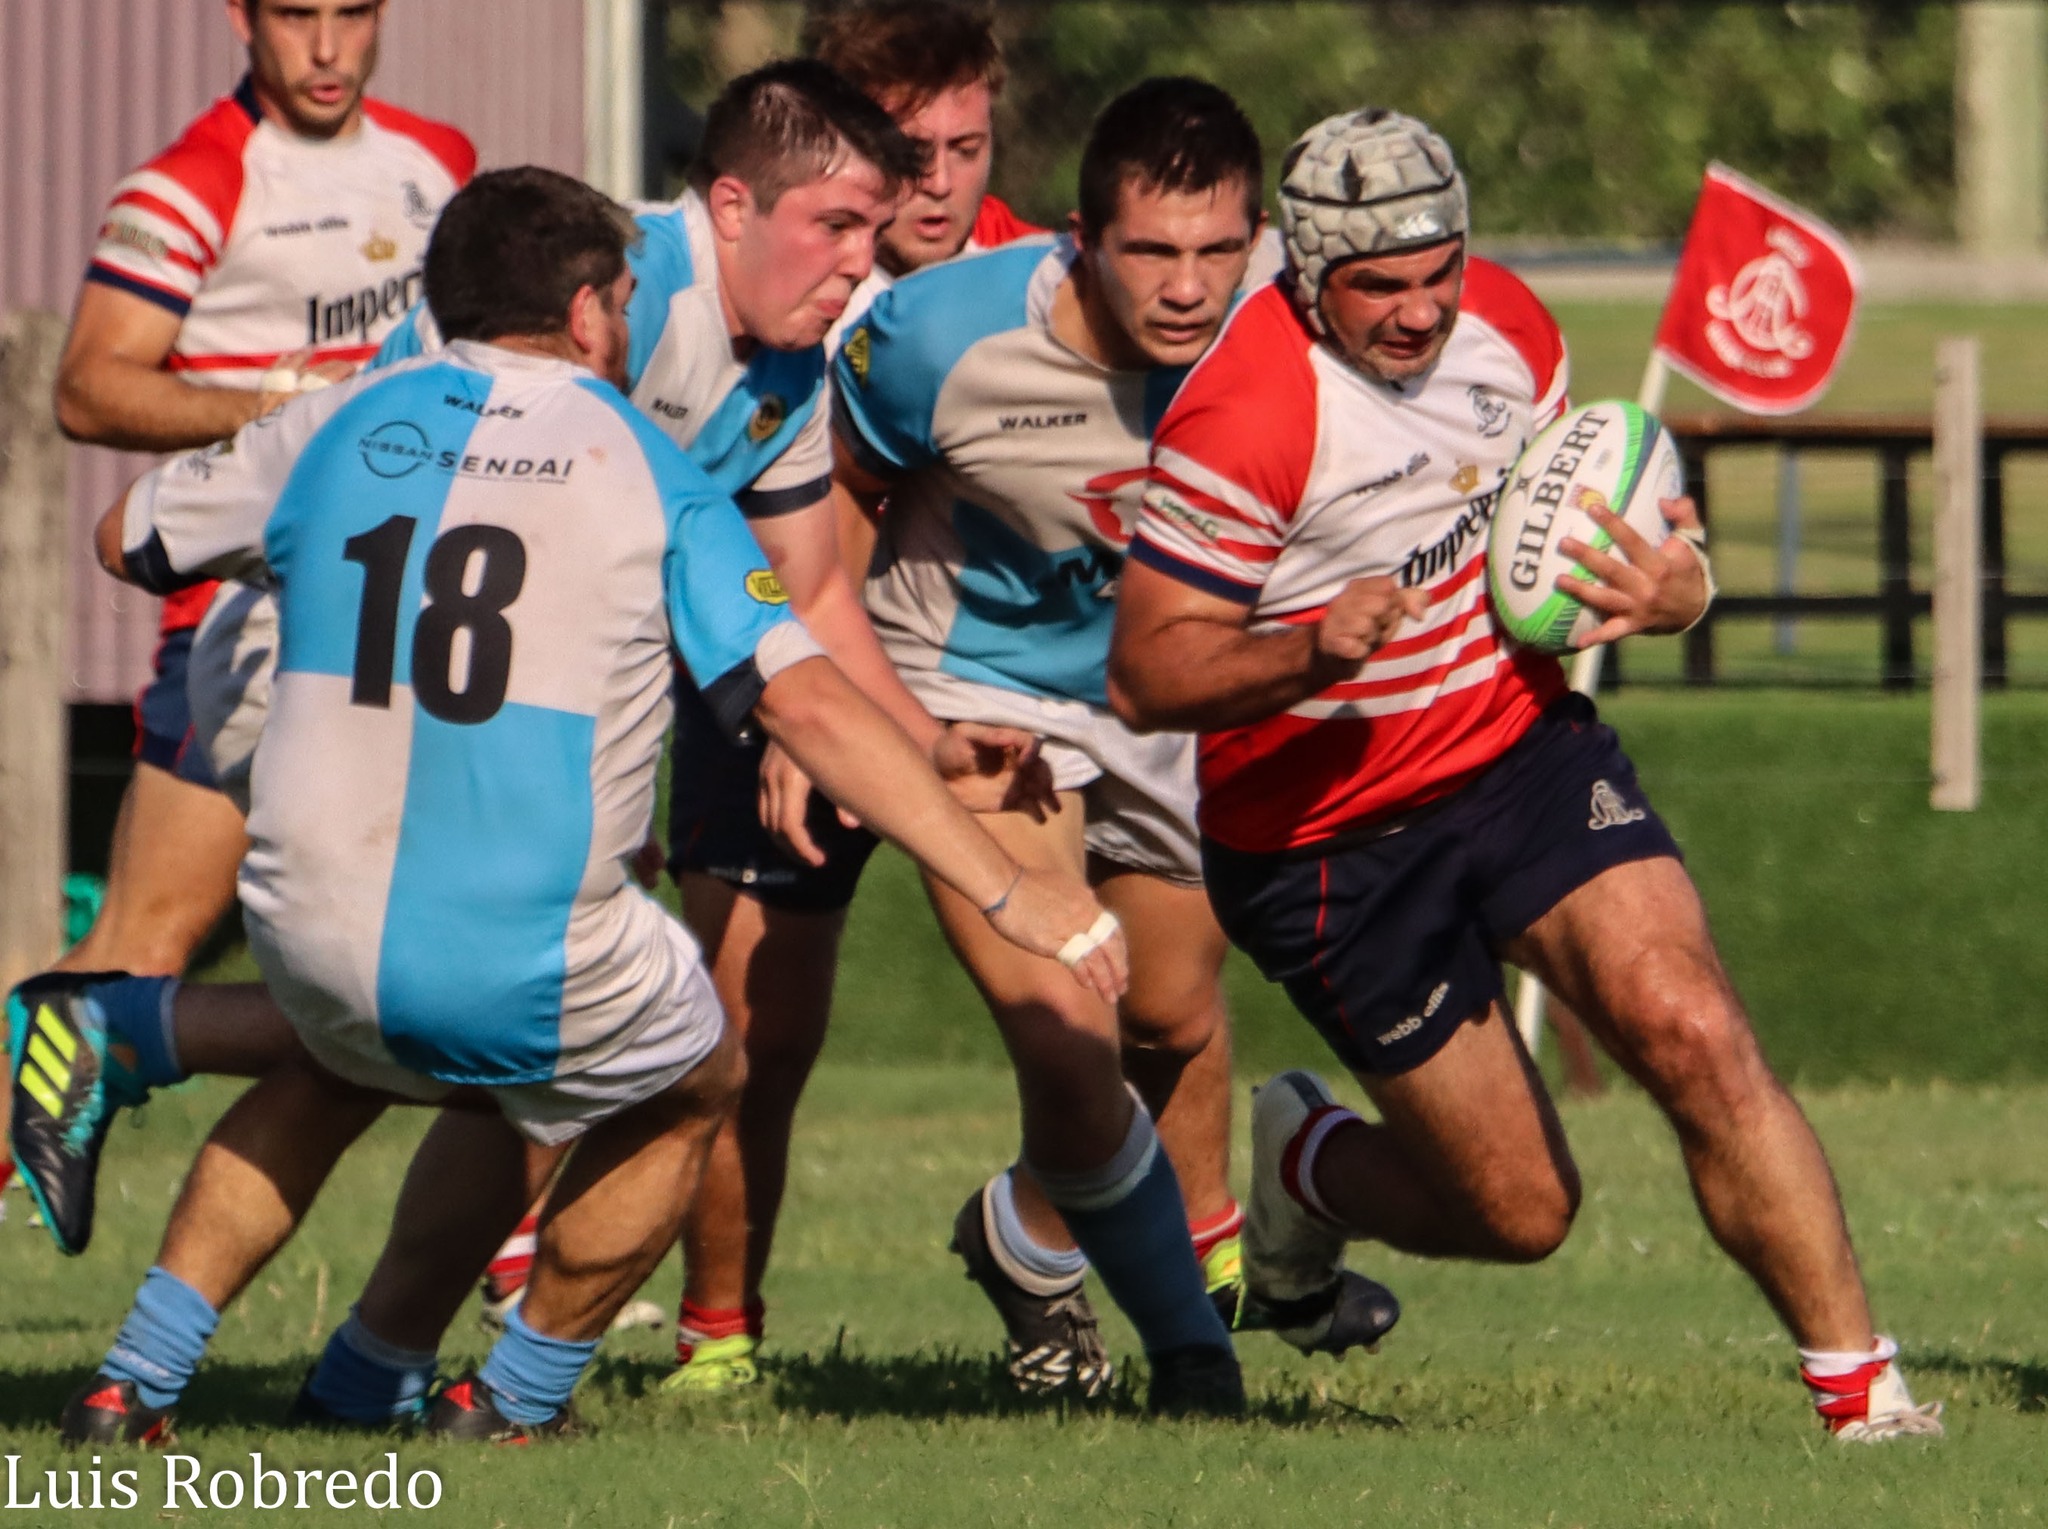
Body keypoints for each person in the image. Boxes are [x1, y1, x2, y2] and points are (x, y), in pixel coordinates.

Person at [45, 164, 1127, 1446]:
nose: (625, 322)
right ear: (584, 311)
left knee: (359, 1060)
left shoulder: (333, 422)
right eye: (620, 300)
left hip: (307, 913)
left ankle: (143, 1374)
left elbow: (125, 539)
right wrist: (1008, 887)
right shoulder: (645, 467)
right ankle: (515, 1397)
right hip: (515, 941)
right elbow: (810, 706)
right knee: (692, 1075)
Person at [1106, 107, 1945, 1442]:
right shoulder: (1243, 414)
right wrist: (1303, 650)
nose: (1417, 309)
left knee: (1689, 1022)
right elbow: (1147, 674)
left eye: (1437, 270)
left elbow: (1581, 537)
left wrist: (1680, 586)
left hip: (1519, 756)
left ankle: (1865, 1396)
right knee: (1521, 1211)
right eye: (1377, 283)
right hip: (1326, 841)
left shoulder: (1509, 326)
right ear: (1305, 270)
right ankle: (1307, 1166)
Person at [821, 76, 1340, 1411]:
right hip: (983, 701)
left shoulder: (1296, 326)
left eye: (1218, 249)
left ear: (1258, 239)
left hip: (1167, 697)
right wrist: (839, 701)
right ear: (1080, 236)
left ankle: (1026, 1229)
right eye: (1150, 251)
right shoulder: (940, 336)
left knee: (1164, 1019)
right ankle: (1192, 1357)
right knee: (1066, 1024)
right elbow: (839, 505)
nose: (1188, 287)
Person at [656, 1, 1060, 1395]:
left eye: (966, 146)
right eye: (907, 150)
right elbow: (791, 532)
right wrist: (793, 706)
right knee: (745, 1037)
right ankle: (716, 1333)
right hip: (777, 672)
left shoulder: (1032, 282)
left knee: (1094, 998)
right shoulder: (785, 275)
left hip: (974, 686)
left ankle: (1098, 1265)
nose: (936, 184)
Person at [51, 0, 472, 982]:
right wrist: (277, 409)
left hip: (406, 601)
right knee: (139, 950)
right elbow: (86, 386)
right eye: (295, 15)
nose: (326, 48)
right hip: (246, 619)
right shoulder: (191, 183)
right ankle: (33, 1077)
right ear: (241, 17)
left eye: (350, 13)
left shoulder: (440, 160)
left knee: (403, 959)